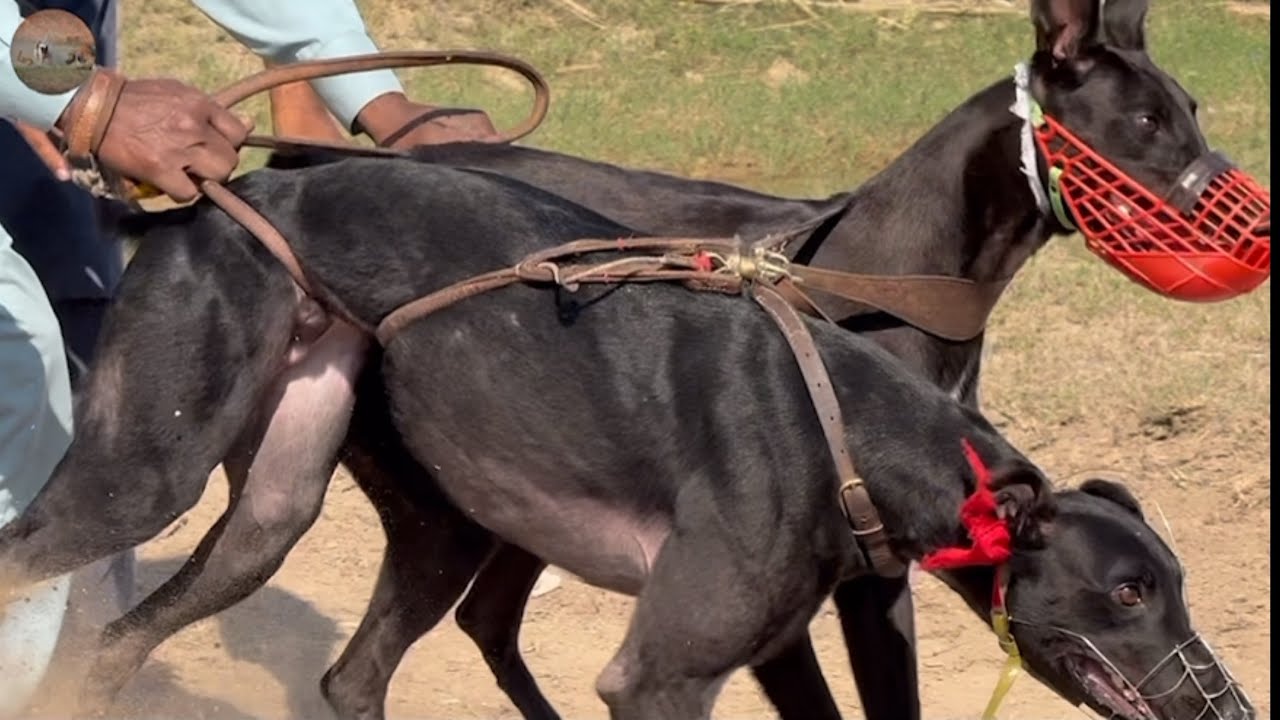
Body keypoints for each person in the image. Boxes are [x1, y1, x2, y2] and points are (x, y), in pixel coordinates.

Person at [0, 1, 496, 715]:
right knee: (16, 377)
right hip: (41, 72)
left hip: (39, 67)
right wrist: (85, 97)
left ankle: (65, 682)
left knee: (86, 391)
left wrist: (381, 100)